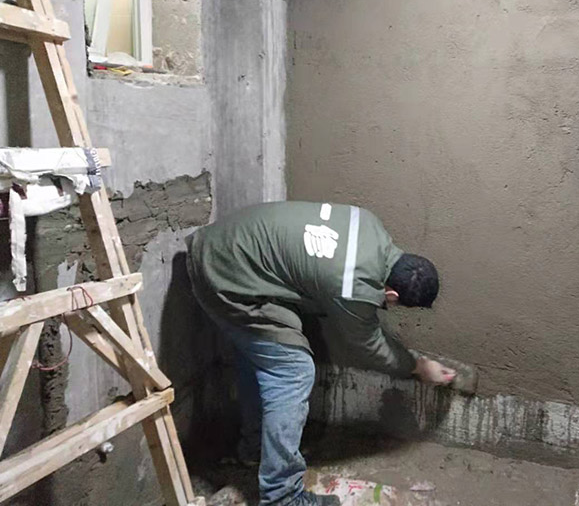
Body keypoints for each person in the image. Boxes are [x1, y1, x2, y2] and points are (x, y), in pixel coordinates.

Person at [185, 201, 455, 506]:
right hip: (225, 276)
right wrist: (417, 366)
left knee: (263, 351)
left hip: (224, 250)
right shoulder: (353, 285)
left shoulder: (370, 225)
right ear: (392, 294)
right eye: (392, 303)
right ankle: (283, 497)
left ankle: (256, 448)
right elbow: (368, 345)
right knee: (293, 372)